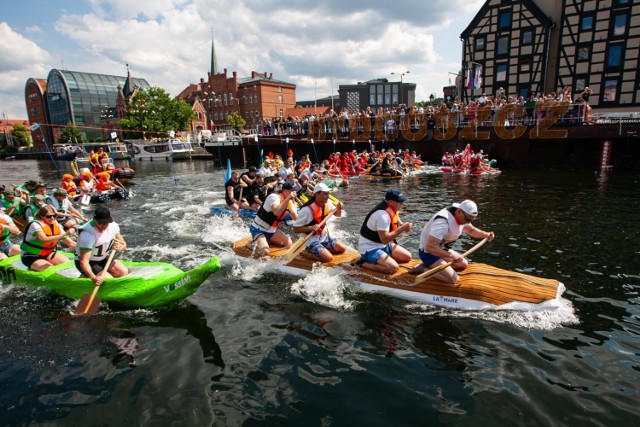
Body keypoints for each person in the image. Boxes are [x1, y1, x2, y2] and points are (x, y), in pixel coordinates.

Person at [410, 200, 495, 283]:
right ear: (459, 211)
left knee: (463, 264)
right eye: (467, 219)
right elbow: (430, 247)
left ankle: (430, 265)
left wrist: (486, 234)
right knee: (454, 279)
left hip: (441, 250)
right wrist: (451, 255)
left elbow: (471, 230)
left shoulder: (463, 216)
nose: (468, 222)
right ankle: (423, 269)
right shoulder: (442, 223)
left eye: (471, 220)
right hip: (428, 254)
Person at [356, 189, 413, 274]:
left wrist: (401, 224)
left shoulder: (389, 207)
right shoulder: (382, 216)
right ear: (391, 202)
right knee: (393, 268)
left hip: (382, 245)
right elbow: (385, 240)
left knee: (407, 257)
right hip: (369, 248)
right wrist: (401, 229)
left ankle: (381, 259)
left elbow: (395, 216)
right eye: (400, 202)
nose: (402, 204)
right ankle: (362, 263)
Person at [292, 182, 346, 262]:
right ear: (316, 194)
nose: (328, 196)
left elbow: (337, 215)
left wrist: (339, 208)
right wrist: (310, 228)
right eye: (325, 194)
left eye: (328, 193)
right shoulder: (306, 210)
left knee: (342, 248)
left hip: (323, 236)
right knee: (328, 258)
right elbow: (295, 229)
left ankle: (321, 251)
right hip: (310, 239)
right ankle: (305, 252)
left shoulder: (328, 203)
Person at [75, 206, 128, 286]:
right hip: (89, 262)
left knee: (123, 271)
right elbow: (83, 261)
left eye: (105, 223)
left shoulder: (113, 226)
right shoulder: (87, 234)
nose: (102, 226)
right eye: (100, 223)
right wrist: (93, 278)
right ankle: (86, 275)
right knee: (109, 280)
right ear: (94, 219)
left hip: (102, 258)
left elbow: (123, 244)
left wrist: (120, 247)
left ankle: (100, 273)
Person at [248, 181, 298, 257]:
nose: (295, 194)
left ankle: (265, 240)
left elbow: (296, 218)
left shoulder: (289, 202)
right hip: (258, 228)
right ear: (286, 192)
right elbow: (277, 212)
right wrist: (288, 199)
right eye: (293, 192)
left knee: (289, 243)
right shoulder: (273, 197)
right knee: (265, 252)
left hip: (271, 230)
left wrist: (310, 226)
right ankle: (250, 244)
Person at [20, 205, 76, 272]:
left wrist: (88, 251)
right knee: (51, 270)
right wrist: (65, 234)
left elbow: (71, 243)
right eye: (48, 216)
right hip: (31, 255)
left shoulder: (55, 225)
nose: (52, 218)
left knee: (69, 265)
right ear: (41, 216)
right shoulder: (35, 225)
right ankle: (34, 267)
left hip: (48, 253)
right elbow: (44, 240)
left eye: (54, 216)